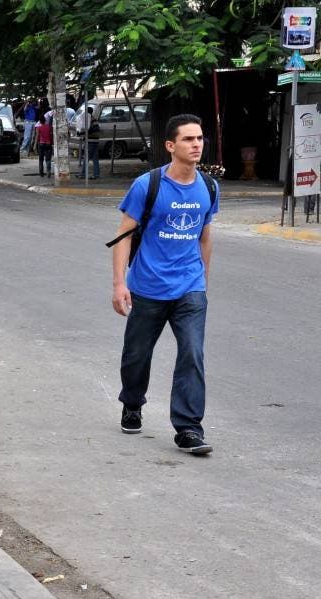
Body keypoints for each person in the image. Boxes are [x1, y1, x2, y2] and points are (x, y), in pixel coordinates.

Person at [109, 113, 219, 455]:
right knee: (136, 356)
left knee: (192, 353)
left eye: (200, 138)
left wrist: (202, 281)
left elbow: (205, 237)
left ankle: (188, 428)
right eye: (188, 139)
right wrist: (119, 284)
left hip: (190, 287)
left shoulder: (209, 187)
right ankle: (132, 403)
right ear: (171, 146)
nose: (196, 144)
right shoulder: (147, 185)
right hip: (147, 286)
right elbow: (123, 236)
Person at [77, 106, 100, 179]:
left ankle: (83, 174)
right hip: (95, 141)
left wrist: (80, 133)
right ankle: (96, 175)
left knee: (86, 158)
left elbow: (88, 130)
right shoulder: (94, 119)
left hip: (90, 141)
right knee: (95, 159)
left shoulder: (88, 120)